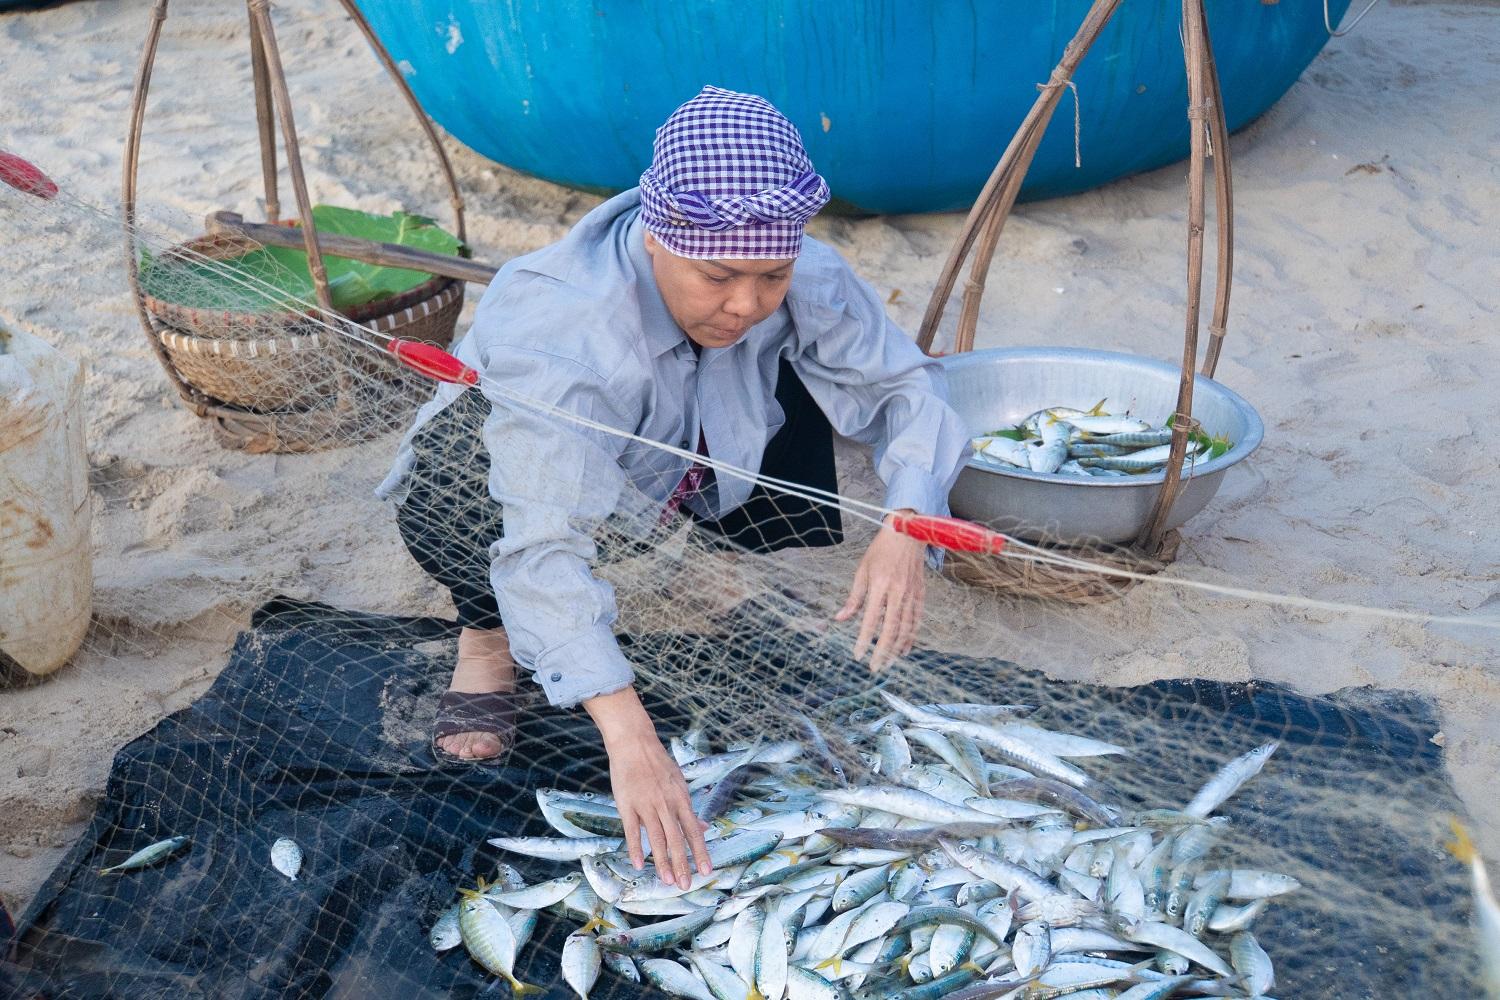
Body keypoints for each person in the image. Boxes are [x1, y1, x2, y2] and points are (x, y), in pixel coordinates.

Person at [379, 86, 969, 888]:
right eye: (719, 274)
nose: (746, 303)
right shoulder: (568, 335)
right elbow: (542, 544)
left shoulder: (786, 275)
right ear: (655, 235)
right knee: (463, 485)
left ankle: (692, 557)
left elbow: (909, 387)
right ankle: (485, 641)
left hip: (691, 458)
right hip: (532, 484)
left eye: (772, 273)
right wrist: (630, 736)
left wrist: (908, 523)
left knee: (806, 360)